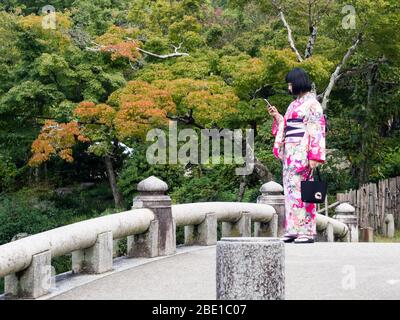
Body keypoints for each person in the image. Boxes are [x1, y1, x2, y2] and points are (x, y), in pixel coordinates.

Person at [267, 67, 326, 244]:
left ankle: (306, 231)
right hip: (291, 153)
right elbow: (286, 125)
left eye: (290, 84)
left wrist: (314, 155)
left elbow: (316, 129)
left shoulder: (313, 104)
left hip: (303, 151)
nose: (289, 87)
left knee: (304, 191)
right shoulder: (294, 104)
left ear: (298, 83)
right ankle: (293, 229)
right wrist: (278, 117)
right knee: (291, 191)